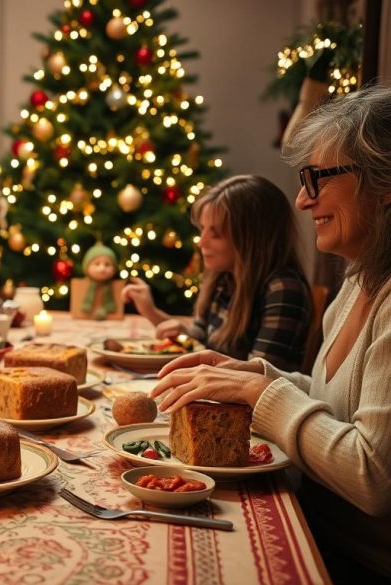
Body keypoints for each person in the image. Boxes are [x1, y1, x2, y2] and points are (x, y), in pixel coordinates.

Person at [151, 86, 391, 581]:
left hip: (356, 561)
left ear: (383, 183)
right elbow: (338, 408)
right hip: (312, 521)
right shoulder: (356, 280)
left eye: (317, 178)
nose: (303, 199)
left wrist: (263, 392)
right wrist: (251, 373)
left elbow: (373, 477)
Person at [123, 175, 312, 371]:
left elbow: (258, 375)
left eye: (216, 234)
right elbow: (202, 339)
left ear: (252, 241)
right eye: (202, 229)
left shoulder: (283, 289)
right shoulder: (224, 275)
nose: (201, 242)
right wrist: (155, 315)